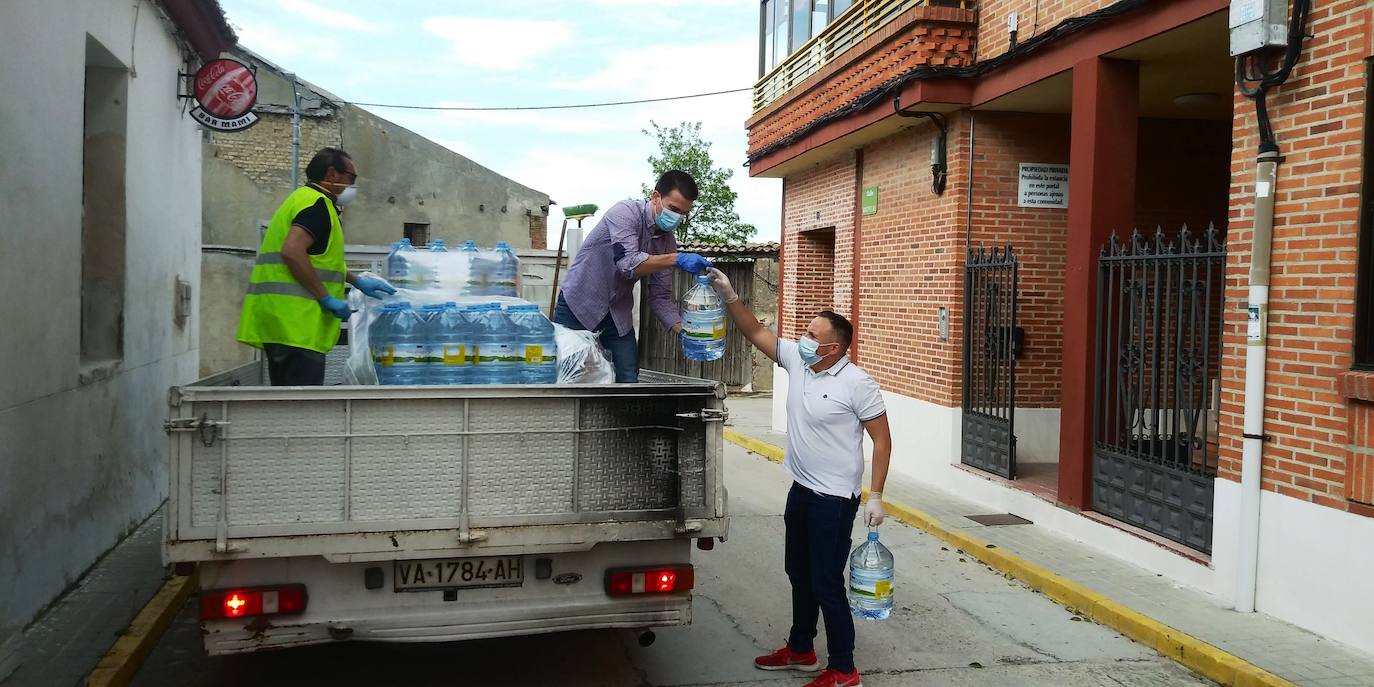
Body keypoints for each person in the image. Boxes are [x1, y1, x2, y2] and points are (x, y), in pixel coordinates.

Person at [707, 268, 892, 687]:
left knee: (827, 583)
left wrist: (876, 495)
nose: (802, 339)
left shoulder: (857, 384)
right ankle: (802, 648)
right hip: (802, 491)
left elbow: (882, 440)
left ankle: (844, 669)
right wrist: (730, 295)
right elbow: (754, 330)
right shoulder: (799, 362)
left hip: (834, 499)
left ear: (832, 347)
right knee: (798, 573)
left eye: (811, 335)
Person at [236, 147, 395, 385]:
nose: (352, 187)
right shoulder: (317, 205)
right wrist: (325, 298)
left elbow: (319, 261)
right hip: (298, 325)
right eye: (351, 179)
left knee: (287, 405)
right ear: (332, 174)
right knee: (302, 411)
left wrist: (357, 281)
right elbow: (292, 251)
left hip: (281, 323)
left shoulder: (302, 199)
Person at [552, 170, 713, 383]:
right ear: (656, 197)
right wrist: (676, 259)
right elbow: (627, 265)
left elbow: (660, 297)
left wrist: (685, 331)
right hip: (579, 306)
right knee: (567, 375)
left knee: (628, 379)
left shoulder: (666, 242)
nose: (677, 218)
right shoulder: (624, 213)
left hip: (617, 315)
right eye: (674, 209)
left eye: (683, 213)